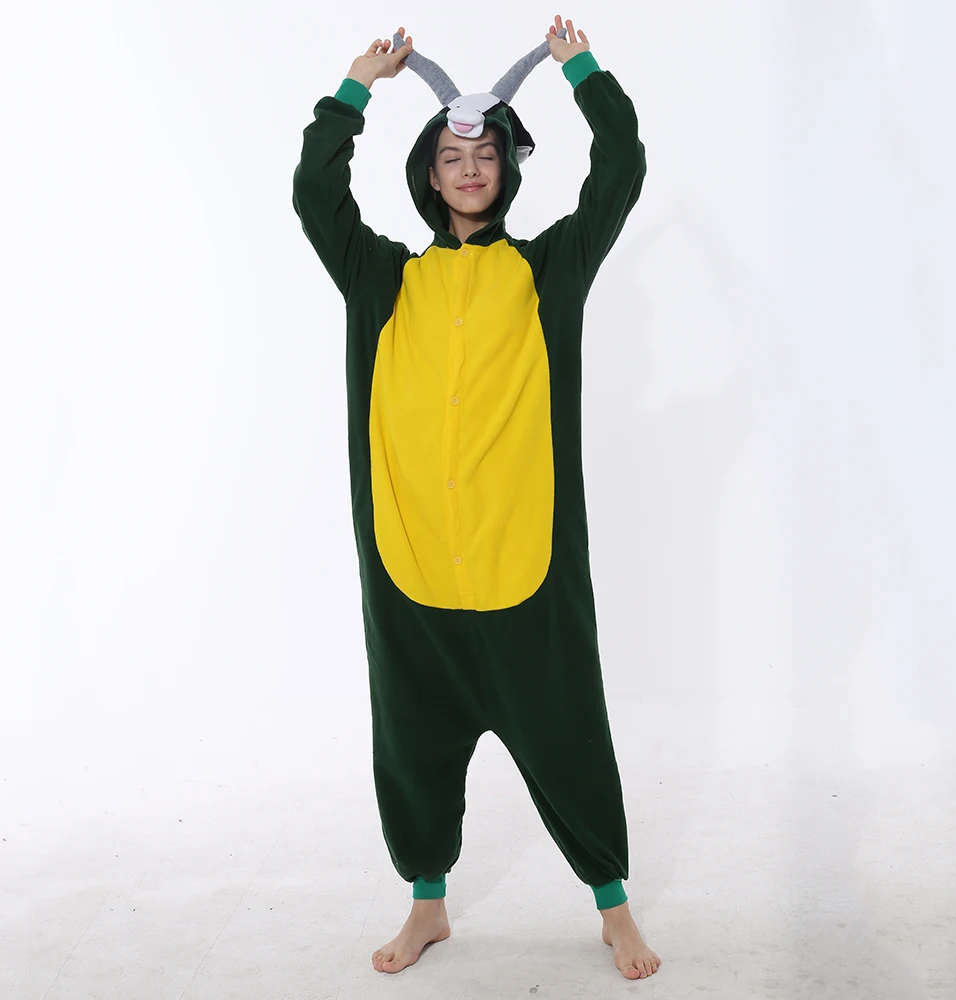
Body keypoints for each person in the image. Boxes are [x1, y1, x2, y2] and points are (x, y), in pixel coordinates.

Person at [292, 13, 659, 981]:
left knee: (569, 736)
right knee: (412, 746)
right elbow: (314, 194)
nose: (468, 168)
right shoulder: (381, 279)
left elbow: (620, 170)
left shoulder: (548, 273)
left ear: (506, 169)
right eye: (452, 156)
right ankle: (428, 906)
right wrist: (355, 90)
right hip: (409, 562)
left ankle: (613, 906)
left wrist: (584, 75)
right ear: (428, 172)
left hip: (524, 563)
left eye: (485, 154)